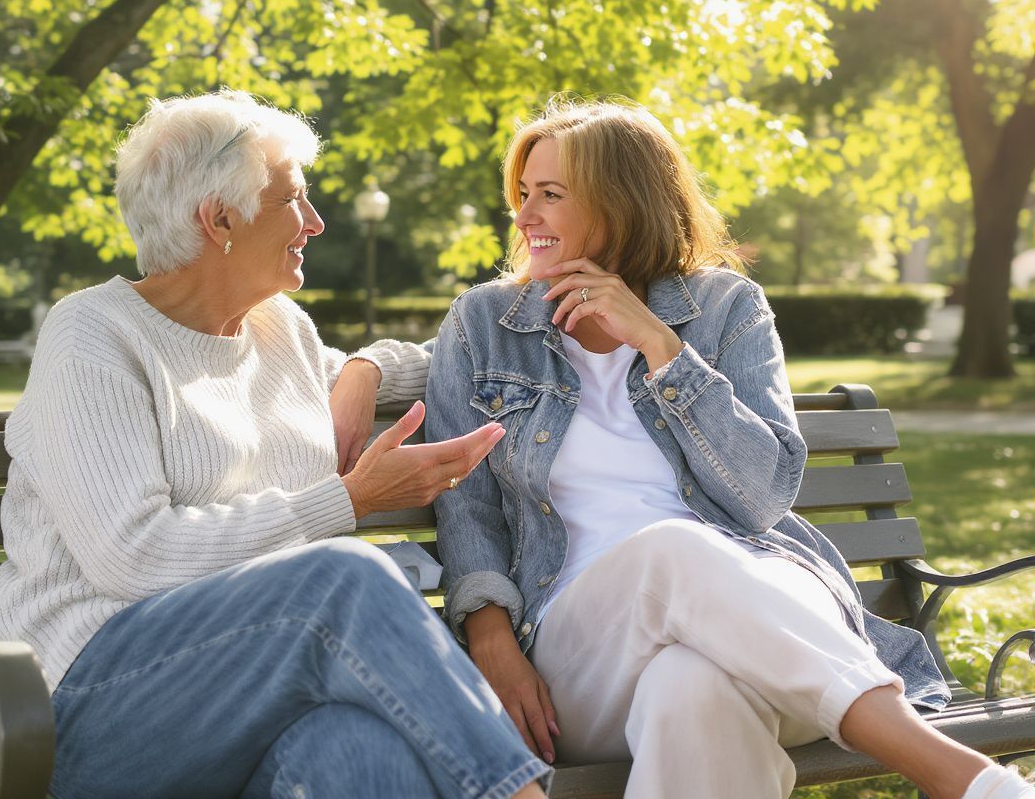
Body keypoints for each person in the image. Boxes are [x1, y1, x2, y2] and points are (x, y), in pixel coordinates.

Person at [426, 98, 1034, 799]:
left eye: (551, 196)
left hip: (759, 629)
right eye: (523, 195)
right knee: (669, 548)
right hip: (575, 653)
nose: (525, 215)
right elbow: (465, 508)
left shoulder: (725, 309)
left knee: (694, 690)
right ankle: (964, 778)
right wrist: (493, 644)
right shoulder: (485, 324)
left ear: (620, 202)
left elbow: (763, 497)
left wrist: (662, 348)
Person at [0, 90, 551, 799]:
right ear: (218, 219)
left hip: (252, 702)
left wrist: (368, 368)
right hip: (97, 710)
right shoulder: (94, 336)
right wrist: (347, 501)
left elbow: (446, 360)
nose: (313, 223)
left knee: (359, 752)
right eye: (292, 201)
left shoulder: (281, 330)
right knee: (343, 577)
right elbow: (133, 555)